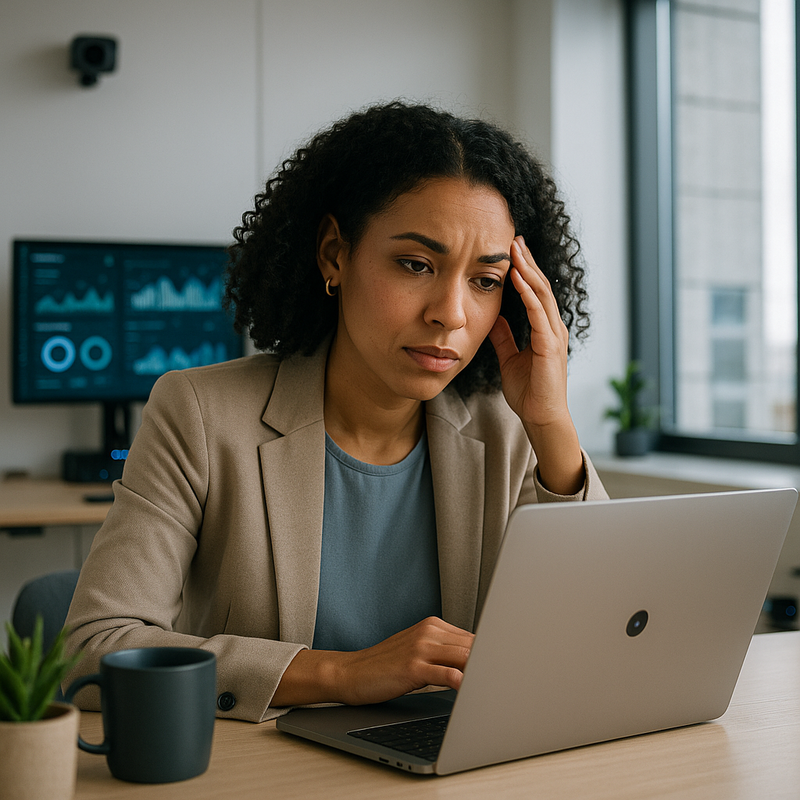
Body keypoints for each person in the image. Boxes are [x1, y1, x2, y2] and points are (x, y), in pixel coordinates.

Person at [64, 101, 608, 722]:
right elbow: (91, 653)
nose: (451, 313)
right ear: (334, 255)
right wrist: (342, 674)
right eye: (416, 265)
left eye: (486, 280)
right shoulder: (200, 413)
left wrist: (551, 426)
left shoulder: (507, 429)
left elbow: (602, 642)